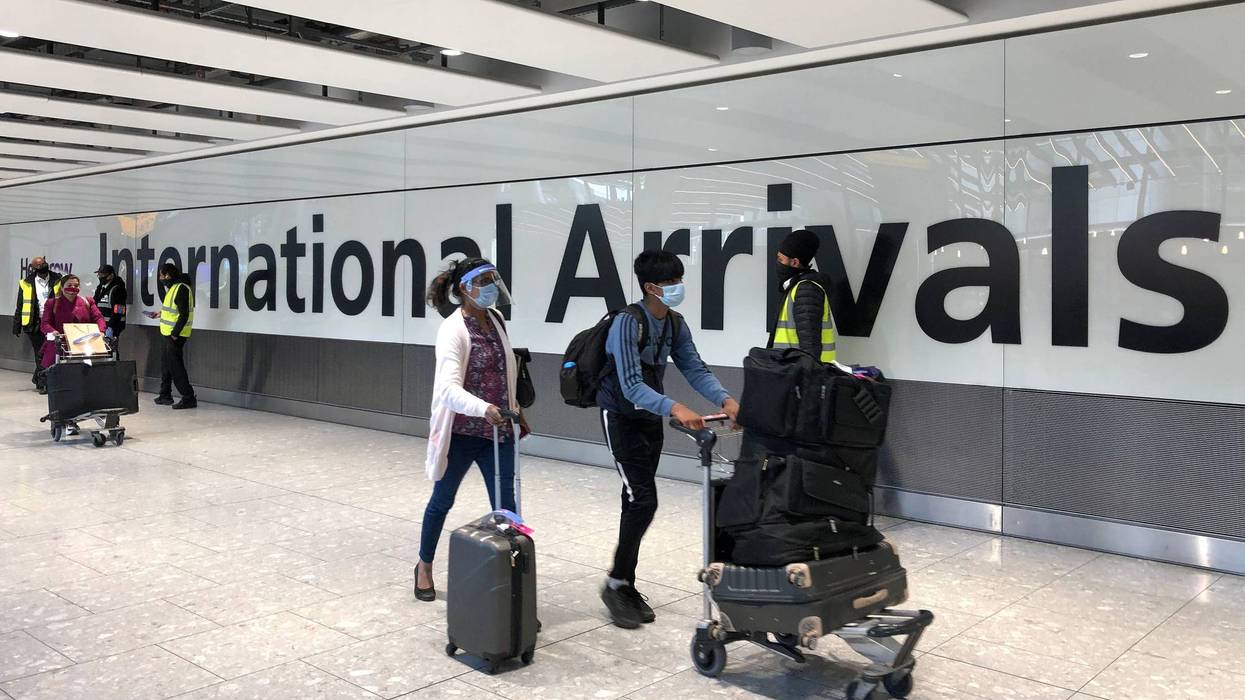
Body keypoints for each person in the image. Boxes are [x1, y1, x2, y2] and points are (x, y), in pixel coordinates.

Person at [596, 250, 740, 629]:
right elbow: (629, 386)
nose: (678, 287)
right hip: (621, 417)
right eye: (671, 282)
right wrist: (675, 408)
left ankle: (622, 581)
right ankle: (616, 583)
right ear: (650, 287)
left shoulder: (674, 323)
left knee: (638, 502)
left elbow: (694, 366)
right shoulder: (628, 324)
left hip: (649, 420)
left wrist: (725, 399)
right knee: (642, 499)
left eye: (680, 279)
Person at [416, 257, 528, 602]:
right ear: (465, 288)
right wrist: (484, 408)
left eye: (495, 279)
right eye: (485, 281)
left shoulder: (496, 319)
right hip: (463, 432)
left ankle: (514, 587)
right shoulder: (453, 330)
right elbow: (448, 390)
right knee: (442, 500)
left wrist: (516, 412)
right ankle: (424, 566)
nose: (493, 287)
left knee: (507, 507)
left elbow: (505, 372)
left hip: (499, 431)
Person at [771, 229, 837, 363]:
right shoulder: (795, 287)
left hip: (800, 375)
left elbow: (810, 345)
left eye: (780, 259)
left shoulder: (806, 290)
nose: (777, 262)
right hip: (791, 372)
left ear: (795, 262)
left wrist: (807, 379)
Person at [143, 263, 196, 409]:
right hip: (168, 333)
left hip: (175, 335)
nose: (160, 279)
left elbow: (184, 314)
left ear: (167, 275)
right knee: (166, 365)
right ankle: (165, 394)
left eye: (161, 275)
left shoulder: (181, 288)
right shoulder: (174, 287)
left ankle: (188, 396)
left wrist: (174, 334)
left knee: (175, 366)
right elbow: (174, 310)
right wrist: (159, 314)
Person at [11, 256, 62, 393]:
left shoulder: (58, 279)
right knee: (40, 353)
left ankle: (39, 379)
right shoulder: (26, 283)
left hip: (52, 322)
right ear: (33, 268)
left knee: (49, 352)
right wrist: (17, 325)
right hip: (33, 323)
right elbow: (20, 305)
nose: (43, 266)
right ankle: (44, 382)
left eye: (44, 263)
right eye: (39, 265)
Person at [38, 274, 107, 368]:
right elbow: (45, 323)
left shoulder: (88, 301)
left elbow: (99, 318)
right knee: (56, 376)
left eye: (76, 285)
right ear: (62, 288)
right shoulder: (52, 303)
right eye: (69, 285)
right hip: (60, 346)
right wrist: (53, 332)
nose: (73, 288)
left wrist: (101, 331)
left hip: (83, 346)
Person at [93, 264, 127, 348]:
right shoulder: (100, 287)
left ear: (111, 275)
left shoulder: (117, 289)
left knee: (111, 350)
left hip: (113, 326)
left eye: (103, 274)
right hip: (101, 326)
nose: (100, 277)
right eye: (99, 274)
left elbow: (119, 309)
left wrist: (111, 327)